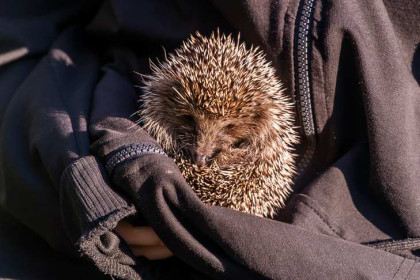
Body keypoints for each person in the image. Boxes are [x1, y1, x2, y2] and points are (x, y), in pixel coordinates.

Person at [1, 0, 420, 279]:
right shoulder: (167, 94)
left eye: (222, 132)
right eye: (194, 126)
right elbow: (19, 36)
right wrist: (81, 178)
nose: (202, 149)